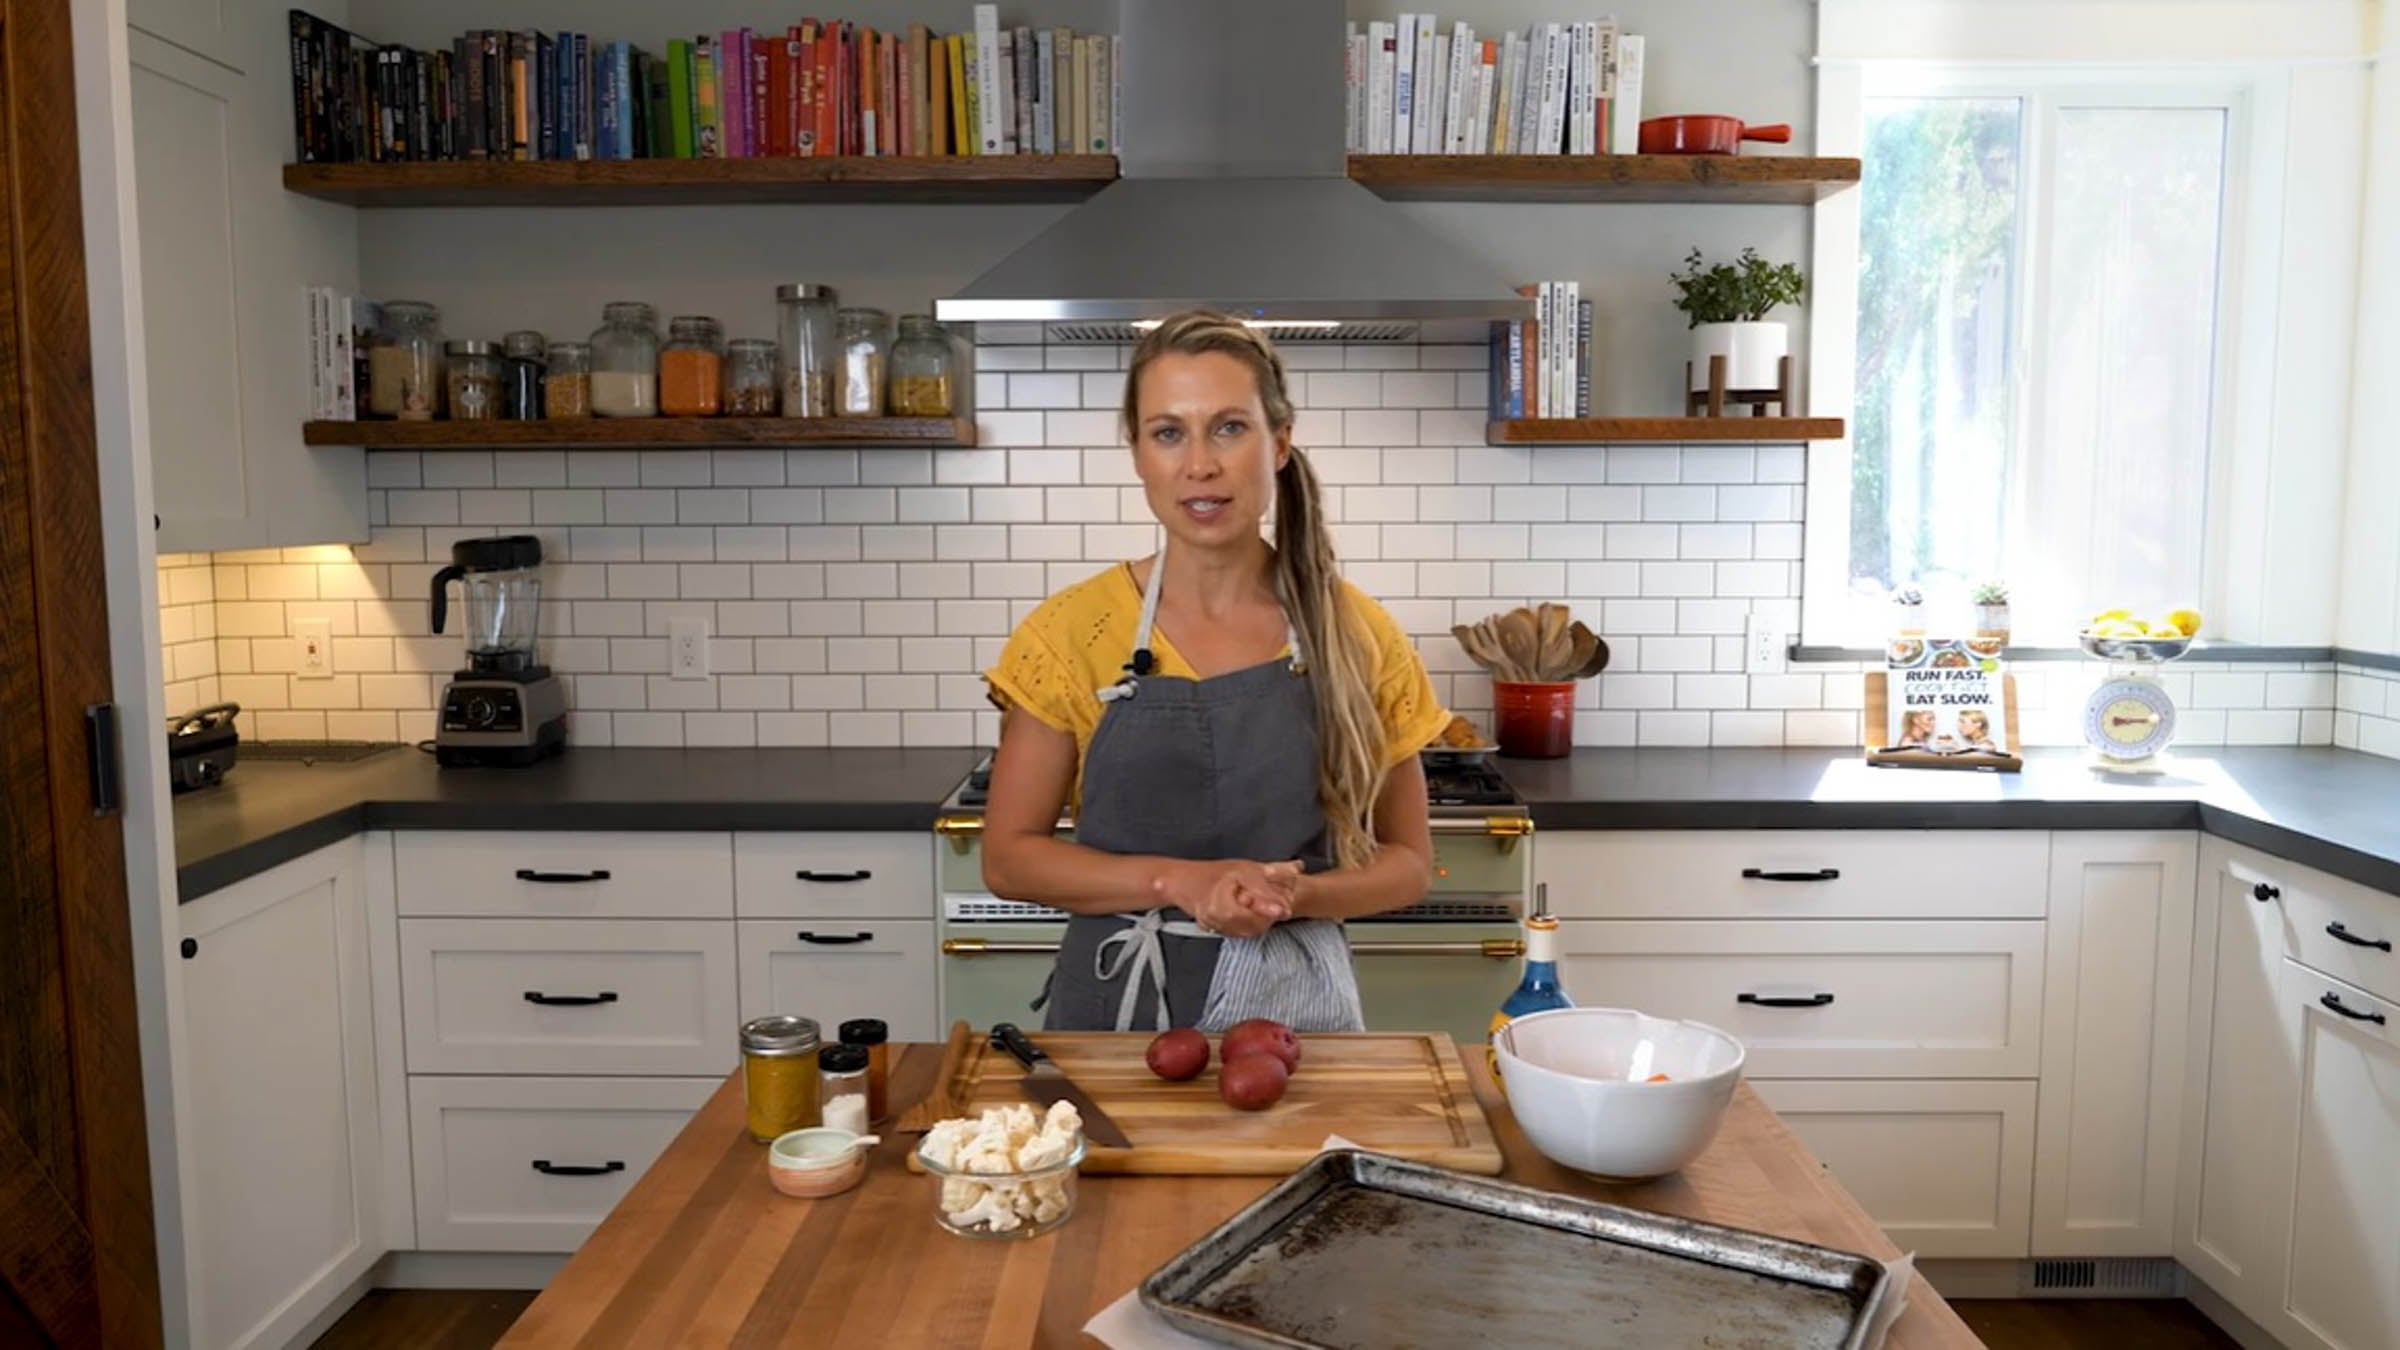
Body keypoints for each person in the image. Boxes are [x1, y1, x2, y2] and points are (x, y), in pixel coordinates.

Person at [979, 311, 1450, 1033]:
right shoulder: (1069, 633)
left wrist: (1293, 897)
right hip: (1116, 1019)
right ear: (1137, 454)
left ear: (1280, 442)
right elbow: (1009, 860)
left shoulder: (1358, 634)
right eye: (1169, 432)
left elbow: (1409, 862)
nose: (1200, 464)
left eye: (1229, 427)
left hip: (1298, 1020)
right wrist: (1178, 880)